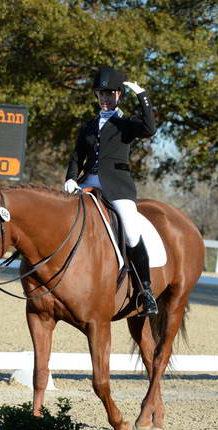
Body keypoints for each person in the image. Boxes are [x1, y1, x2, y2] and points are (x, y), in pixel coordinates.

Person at [63, 67, 157, 317]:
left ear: (119, 95)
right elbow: (76, 156)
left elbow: (150, 128)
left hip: (117, 186)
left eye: (109, 94)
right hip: (87, 182)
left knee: (131, 231)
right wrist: (71, 178)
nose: (104, 99)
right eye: (100, 94)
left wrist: (143, 96)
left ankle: (145, 291)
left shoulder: (126, 124)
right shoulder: (89, 126)